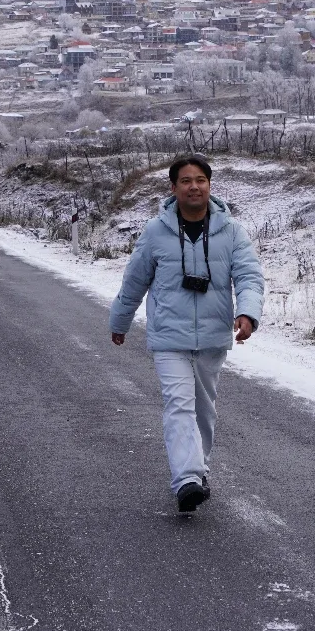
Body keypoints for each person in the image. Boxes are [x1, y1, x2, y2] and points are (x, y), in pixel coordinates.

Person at [109, 154, 264, 513]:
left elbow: (249, 277)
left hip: (212, 336)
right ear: (173, 187)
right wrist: (120, 321)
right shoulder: (155, 232)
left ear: (209, 185)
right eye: (186, 181)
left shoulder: (231, 231)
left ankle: (197, 468)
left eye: (200, 180)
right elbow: (134, 281)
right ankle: (187, 479)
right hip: (169, 336)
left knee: (203, 410)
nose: (194, 186)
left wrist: (248, 314)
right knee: (179, 405)